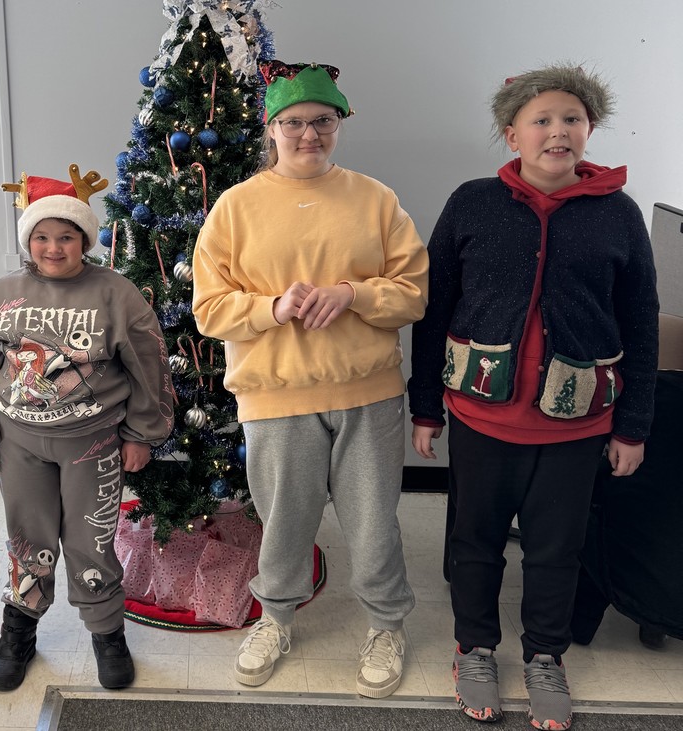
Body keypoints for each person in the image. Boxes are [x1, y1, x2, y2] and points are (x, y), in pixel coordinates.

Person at [408, 64, 659, 729]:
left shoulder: (619, 216)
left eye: (571, 119)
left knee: (556, 548)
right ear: (510, 131)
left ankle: (546, 654)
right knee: (475, 540)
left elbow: (640, 320)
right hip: (482, 419)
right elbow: (435, 311)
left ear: (589, 129)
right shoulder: (471, 203)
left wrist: (632, 426)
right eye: (541, 119)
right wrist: (425, 408)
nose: (557, 131)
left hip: (576, 429)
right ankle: (475, 648)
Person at [192, 61, 428, 697]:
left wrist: (351, 295)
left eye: (322, 121)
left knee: (375, 520)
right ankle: (275, 619)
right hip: (275, 395)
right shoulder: (235, 208)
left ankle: (386, 624)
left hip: (367, 392)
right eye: (292, 123)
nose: (307, 135)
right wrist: (272, 308)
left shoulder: (375, 199)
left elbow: (412, 293)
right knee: (285, 522)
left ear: (339, 125)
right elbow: (209, 310)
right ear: (271, 129)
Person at [0, 164, 174, 691]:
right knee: (27, 537)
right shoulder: (2, 297)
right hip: (18, 442)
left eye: (67, 237)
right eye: (42, 237)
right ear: (29, 241)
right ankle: (19, 630)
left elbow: (151, 366)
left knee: (90, 538)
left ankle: (106, 632)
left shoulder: (116, 294)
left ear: (85, 240)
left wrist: (142, 434)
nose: (54, 248)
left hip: (93, 441)